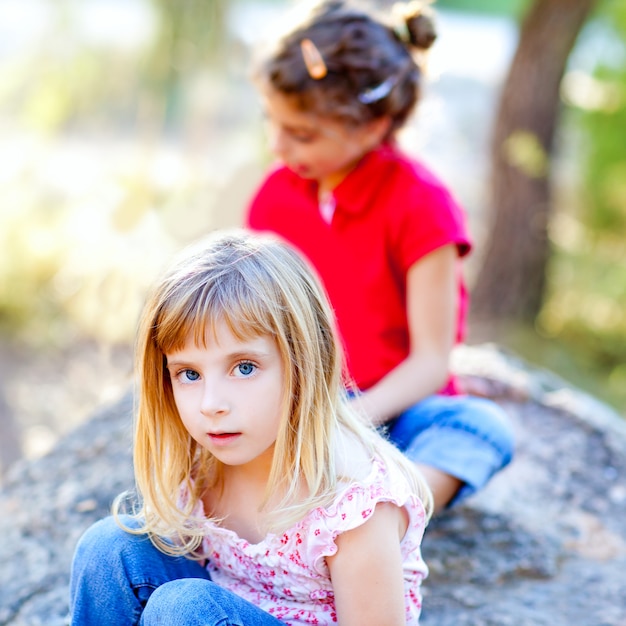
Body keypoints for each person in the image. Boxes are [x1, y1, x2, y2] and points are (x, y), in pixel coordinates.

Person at [69, 230, 433, 626]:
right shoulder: (204, 465)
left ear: (303, 361)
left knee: (184, 609)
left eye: (244, 368)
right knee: (110, 547)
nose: (211, 404)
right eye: (189, 373)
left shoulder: (351, 501)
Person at [246, 0, 515, 512]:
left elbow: (432, 360)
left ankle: (385, 521)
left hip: (395, 409)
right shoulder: (274, 197)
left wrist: (348, 423)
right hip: (301, 405)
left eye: (301, 134)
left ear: (372, 126)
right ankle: (314, 502)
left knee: (480, 429)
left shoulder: (422, 206)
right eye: (271, 122)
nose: (277, 146)